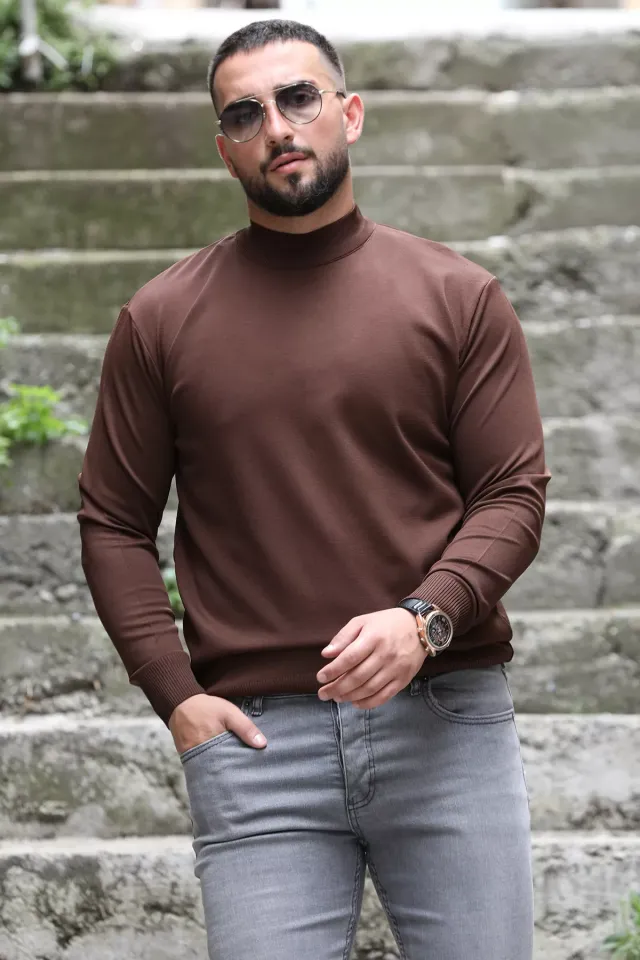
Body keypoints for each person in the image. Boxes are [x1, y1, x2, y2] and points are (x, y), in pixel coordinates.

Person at [77, 18, 551, 960]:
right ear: (225, 149)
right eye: (245, 114)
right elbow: (113, 523)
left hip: (445, 722)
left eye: (299, 98)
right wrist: (175, 696)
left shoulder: (458, 295)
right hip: (257, 745)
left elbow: (513, 493)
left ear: (350, 113)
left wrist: (424, 619)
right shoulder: (161, 319)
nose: (278, 126)